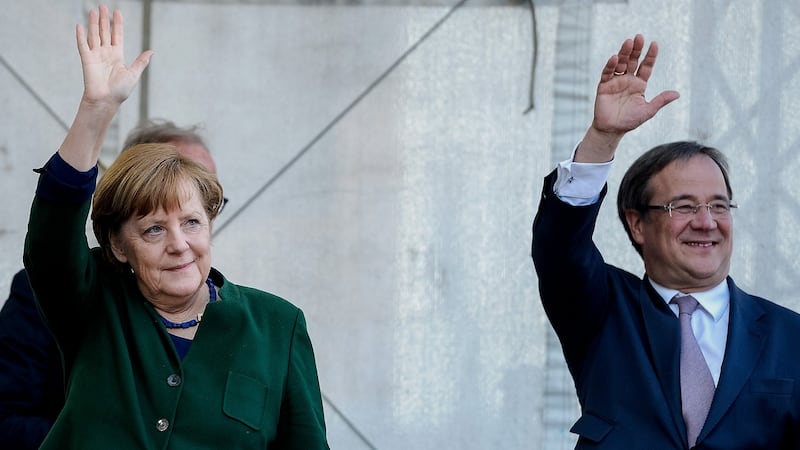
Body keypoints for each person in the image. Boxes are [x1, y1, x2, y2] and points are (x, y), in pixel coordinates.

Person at [22, 5, 328, 449]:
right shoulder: (94, 305)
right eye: (153, 230)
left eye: (191, 223)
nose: (180, 245)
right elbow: (50, 242)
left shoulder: (277, 327)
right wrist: (96, 111)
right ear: (118, 245)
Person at [532, 34, 800, 449]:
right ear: (637, 224)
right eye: (685, 207)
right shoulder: (602, 310)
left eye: (719, 205)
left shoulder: (789, 333)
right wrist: (603, 137)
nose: (707, 222)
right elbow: (560, 248)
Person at [0, 120, 224, 450]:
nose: (180, 241)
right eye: (156, 222)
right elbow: (6, 418)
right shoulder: (66, 297)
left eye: (197, 210)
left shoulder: (265, 323)